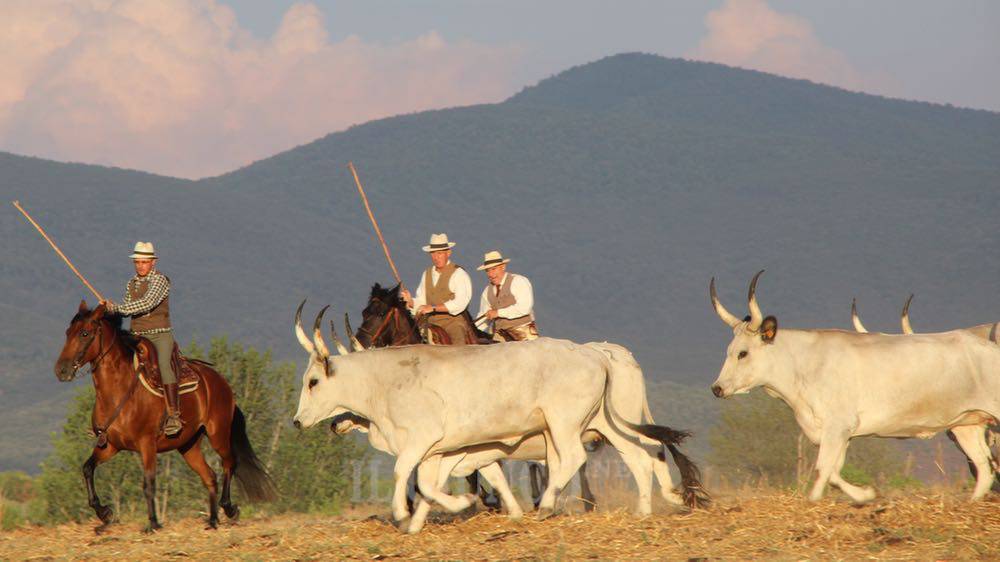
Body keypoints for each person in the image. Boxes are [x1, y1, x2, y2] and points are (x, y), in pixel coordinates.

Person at [100, 241, 182, 436]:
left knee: (164, 365)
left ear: (153, 262)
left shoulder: (161, 281)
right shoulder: (132, 283)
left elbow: (146, 304)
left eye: (144, 262)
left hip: (160, 335)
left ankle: (173, 414)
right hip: (136, 336)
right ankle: (106, 413)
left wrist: (118, 307)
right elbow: (128, 308)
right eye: (137, 262)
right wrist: (109, 308)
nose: (140, 266)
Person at [401, 233, 473, 345]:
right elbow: (422, 301)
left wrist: (434, 308)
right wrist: (411, 302)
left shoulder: (459, 274)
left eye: (440, 253)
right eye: (433, 253)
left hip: (451, 322)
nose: (436, 257)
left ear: (448, 253)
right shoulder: (427, 274)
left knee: (458, 347)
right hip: (428, 322)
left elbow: (460, 302)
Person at [474, 250, 539, 342]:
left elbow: (525, 308)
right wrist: (472, 328)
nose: (490, 274)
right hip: (500, 335)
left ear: (503, 267)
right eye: (487, 270)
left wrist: (498, 313)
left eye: (493, 269)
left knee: (532, 354)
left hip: (523, 331)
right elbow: (484, 316)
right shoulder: (486, 292)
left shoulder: (518, 281)